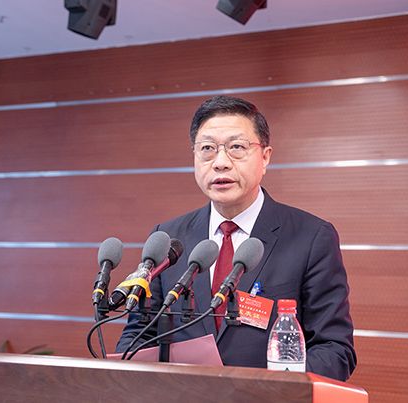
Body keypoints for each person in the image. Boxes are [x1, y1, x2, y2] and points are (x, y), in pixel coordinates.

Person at [116, 95, 356, 381]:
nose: (220, 163)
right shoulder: (168, 240)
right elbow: (140, 333)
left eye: (236, 148)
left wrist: (269, 391)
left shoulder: (311, 237)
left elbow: (334, 349)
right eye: (207, 149)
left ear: (265, 157)